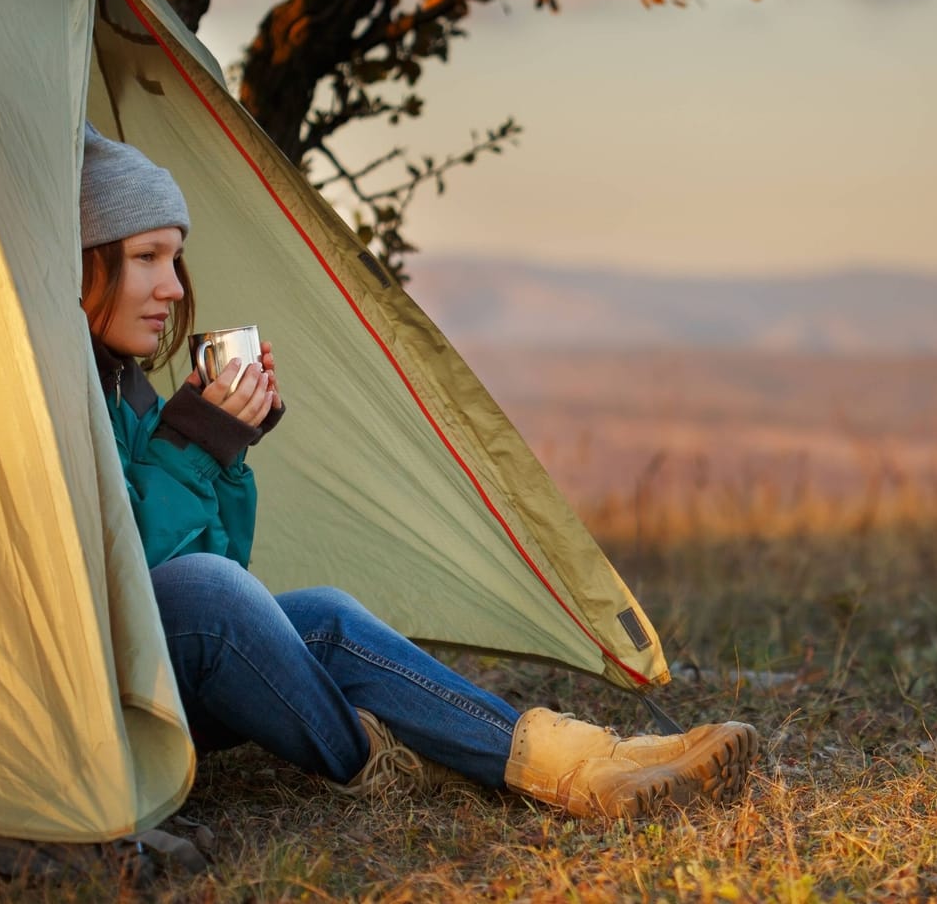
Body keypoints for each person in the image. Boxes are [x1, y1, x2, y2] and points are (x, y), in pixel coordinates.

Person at [78, 123, 756, 817]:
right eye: (146, 257)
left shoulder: (123, 390)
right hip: (88, 696)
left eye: (175, 258)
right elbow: (142, 585)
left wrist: (217, 447)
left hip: (155, 666)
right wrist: (192, 444)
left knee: (325, 615)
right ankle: (386, 761)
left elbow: (203, 570)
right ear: (79, 262)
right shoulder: (49, 390)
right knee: (214, 595)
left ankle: (582, 760)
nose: (170, 286)